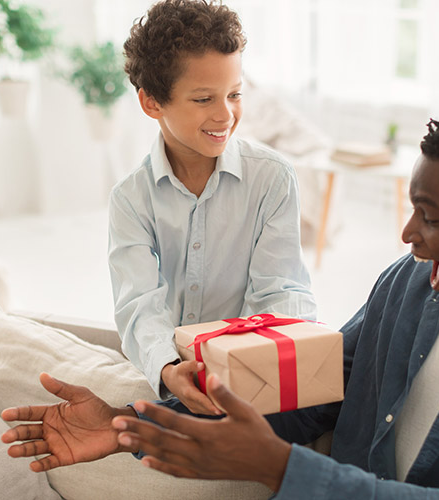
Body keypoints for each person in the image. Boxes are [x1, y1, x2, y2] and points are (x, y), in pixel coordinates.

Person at [2, 100, 439, 498]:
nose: (408, 238)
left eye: (429, 217)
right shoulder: (410, 285)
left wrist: (282, 470)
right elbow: (300, 396)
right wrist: (129, 422)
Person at [108, 0, 316, 415]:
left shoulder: (272, 178)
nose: (226, 115)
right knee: (151, 417)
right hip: (173, 368)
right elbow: (139, 305)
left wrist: (258, 360)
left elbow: (281, 289)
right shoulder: (131, 198)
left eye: (235, 94)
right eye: (204, 99)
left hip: (254, 365)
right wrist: (168, 368)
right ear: (151, 103)